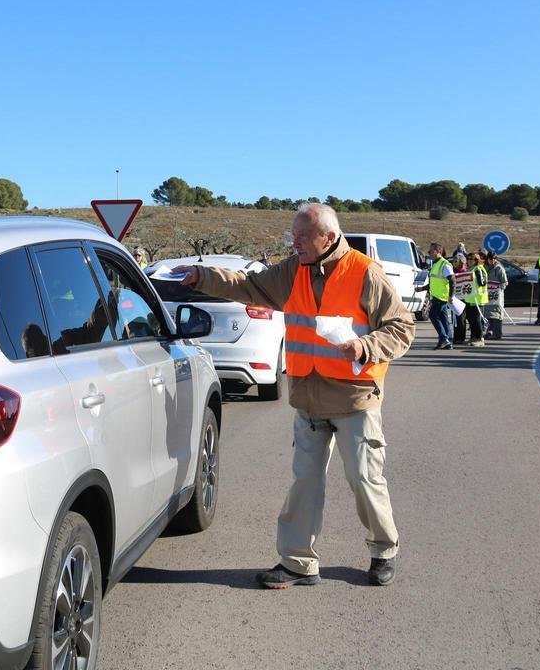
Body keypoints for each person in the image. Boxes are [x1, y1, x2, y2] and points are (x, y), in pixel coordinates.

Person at [174, 204, 415, 588]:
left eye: (302, 237)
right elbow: (246, 285)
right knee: (305, 482)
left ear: (329, 238)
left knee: (364, 480)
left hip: (355, 399)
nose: (294, 243)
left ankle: (383, 550)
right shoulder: (292, 270)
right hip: (308, 398)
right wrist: (202, 276)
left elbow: (402, 327)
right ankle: (298, 562)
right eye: (293, 236)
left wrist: (366, 346)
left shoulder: (365, 272)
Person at [416, 242, 455, 349]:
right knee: (443, 319)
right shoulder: (436, 264)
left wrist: (451, 296)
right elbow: (434, 283)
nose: (429, 253)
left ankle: (444, 339)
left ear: (438, 252)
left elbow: (452, 281)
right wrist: (422, 289)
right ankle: (448, 340)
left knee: (433, 316)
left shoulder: (444, 264)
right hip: (437, 296)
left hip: (441, 297)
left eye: (431, 251)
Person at [464, 253, 489, 346]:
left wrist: (477, 277)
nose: (469, 261)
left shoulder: (478, 269)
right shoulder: (470, 269)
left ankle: (480, 338)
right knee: (471, 319)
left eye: (471, 259)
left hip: (478, 298)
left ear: (476, 260)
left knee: (477, 320)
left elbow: (482, 282)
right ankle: (473, 337)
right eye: (468, 259)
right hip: (471, 298)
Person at [483, 251, 507, 340]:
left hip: (497, 295)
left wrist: (499, 288)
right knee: (488, 314)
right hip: (487, 294)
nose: (492, 260)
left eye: (494, 258)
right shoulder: (484, 267)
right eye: (490, 259)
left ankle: (498, 333)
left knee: (497, 314)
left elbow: (505, 282)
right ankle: (489, 331)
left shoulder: (499, 268)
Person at [451, 254, 471, 345]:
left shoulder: (466, 272)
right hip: (454, 297)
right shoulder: (452, 271)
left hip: (463, 298)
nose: (454, 263)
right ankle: (456, 337)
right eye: (454, 261)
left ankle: (461, 337)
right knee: (454, 318)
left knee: (461, 318)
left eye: (456, 261)